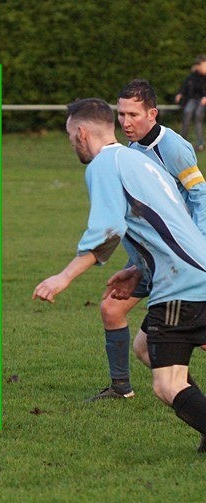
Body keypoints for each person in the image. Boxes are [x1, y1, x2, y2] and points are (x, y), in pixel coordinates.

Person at [33, 98, 206, 452]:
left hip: (180, 285)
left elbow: (108, 230)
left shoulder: (102, 165)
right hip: (194, 272)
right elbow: (161, 225)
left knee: (166, 385)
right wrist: (135, 270)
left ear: (81, 132)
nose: (70, 142)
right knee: (145, 347)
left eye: (69, 135)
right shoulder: (136, 159)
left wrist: (62, 278)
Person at [91, 79, 206, 401]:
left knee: (175, 337)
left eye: (134, 115)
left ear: (152, 113)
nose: (126, 122)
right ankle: (121, 387)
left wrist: (198, 245)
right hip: (149, 260)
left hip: (182, 261)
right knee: (113, 310)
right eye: (121, 114)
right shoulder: (130, 153)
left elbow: (200, 194)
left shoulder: (173, 147)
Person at [175, 56, 206, 152]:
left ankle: (200, 143)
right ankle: (183, 141)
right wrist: (180, 94)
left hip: (202, 99)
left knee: (198, 117)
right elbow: (185, 85)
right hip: (193, 99)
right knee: (187, 113)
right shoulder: (193, 75)